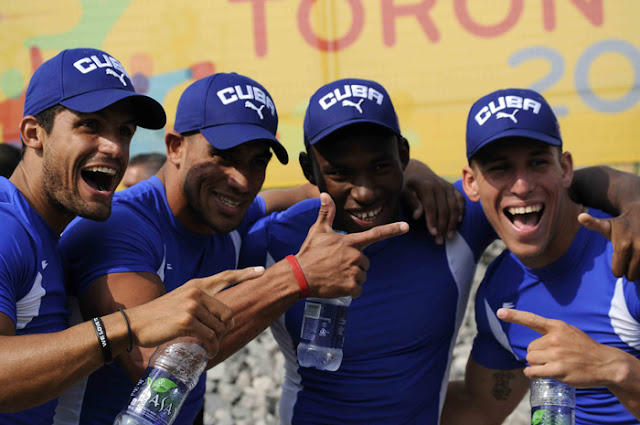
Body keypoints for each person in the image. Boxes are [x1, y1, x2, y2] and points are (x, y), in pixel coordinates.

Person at [238, 79, 640, 424]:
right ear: (311, 171)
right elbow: (207, 251)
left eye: (381, 166)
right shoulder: (273, 241)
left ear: (403, 156)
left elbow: (555, 185)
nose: (364, 191)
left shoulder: (448, 218)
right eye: (341, 173)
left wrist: (635, 202)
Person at [58, 72, 413, 425]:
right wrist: (296, 277)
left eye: (257, 161)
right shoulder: (118, 227)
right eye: (223, 157)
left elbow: (312, 190)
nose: (242, 181)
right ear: (176, 147)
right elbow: (154, 365)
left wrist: (410, 175)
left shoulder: (224, 212)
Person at [0, 47, 261, 424]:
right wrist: (130, 324)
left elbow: (267, 202)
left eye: (123, 131)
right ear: (34, 133)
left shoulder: (42, 232)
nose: (114, 147)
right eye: (90, 125)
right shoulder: (8, 227)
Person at [441, 88, 640, 424]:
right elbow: (480, 407)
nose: (521, 186)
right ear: (470, 183)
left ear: (565, 169)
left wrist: (616, 369)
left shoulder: (627, 256)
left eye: (537, 163)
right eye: (500, 168)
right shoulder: (498, 295)